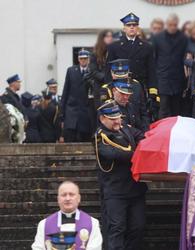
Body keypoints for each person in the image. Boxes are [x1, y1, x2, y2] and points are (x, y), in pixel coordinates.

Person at [94, 100, 147, 250]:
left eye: (119, 117)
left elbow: (140, 135)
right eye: (113, 119)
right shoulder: (101, 137)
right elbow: (116, 154)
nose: (118, 121)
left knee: (138, 227)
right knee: (117, 229)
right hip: (115, 192)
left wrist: (140, 146)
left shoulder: (125, 128)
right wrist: (138, 153)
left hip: (135, 189)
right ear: (102, 118)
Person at [106, 12, 158, 111]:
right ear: (124, 28)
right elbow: (108, 70)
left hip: (140, 88)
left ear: (138, 28)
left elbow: (151, 71)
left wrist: (153, 93)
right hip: (120, 88)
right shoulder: (114, 47)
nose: (132, 27)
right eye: (128, 25)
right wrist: (110, 89)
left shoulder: (147, 47)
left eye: (134, 25)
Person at [32, 180, 102, 250]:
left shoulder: (93, 223)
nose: (67, 198)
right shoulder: (44, 224)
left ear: (78, 198)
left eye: (71, 194)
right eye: (63, 195)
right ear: (58, 199)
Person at [152, 13, 188, 118]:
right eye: (170, 25)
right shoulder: (158, 38)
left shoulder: (183, 38)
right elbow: (154, 59)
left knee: (176, 109)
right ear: (166, 24)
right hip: (163, 78)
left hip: (178, 78)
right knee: (163, 108)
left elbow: (185, 56)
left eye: (175, 25)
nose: (172, 27)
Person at [96, 59, 149, 129]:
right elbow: (106, 115)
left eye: (123, 75)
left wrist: (145, 130)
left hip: (138, 128)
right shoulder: (107, 89)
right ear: (112, 73)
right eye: (118, 76)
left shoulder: (136, 86)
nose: (120, 79)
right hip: (118, 130)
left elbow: (143, 111)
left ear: (128, 72)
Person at [61, 49, 92, 142]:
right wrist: (62, 113)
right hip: (72, 111)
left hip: (86, 111)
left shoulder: (92, 71)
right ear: (78, 59)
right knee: (71, 137)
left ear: (88, 59)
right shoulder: (71, 71)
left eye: (85, 59)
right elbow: (66, 91)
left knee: (85, 138)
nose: (83, 61)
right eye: (81, 59)